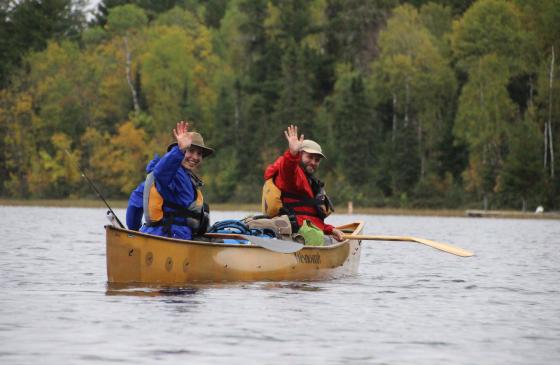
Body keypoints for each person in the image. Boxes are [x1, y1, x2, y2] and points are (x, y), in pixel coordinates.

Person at [262, 124, 345, 243]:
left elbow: (309, 217)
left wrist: (330, 229)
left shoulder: (309, 181)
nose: (313, 162)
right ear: (299, 155)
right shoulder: (291, 175)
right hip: (296, 232)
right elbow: (288, 168)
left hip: (302, 229)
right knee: (332, 242)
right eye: (310, 157)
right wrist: (292, 153)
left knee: (331, 237)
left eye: (317, 160)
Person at [131, 121, 212, 240]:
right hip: (169, 238)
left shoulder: (186, 178)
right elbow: (161, 173)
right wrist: (179, 150)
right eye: (190, 151)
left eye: (199, 154)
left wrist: (134, 233)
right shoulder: (171, 174)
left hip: (172, 237)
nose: (195, 157)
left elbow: (134, 204)